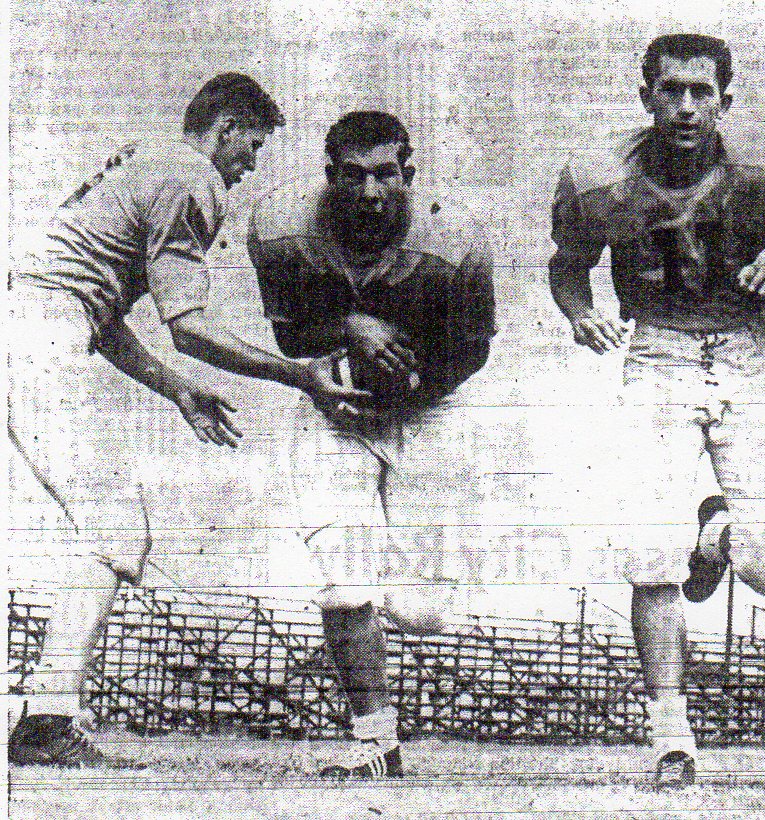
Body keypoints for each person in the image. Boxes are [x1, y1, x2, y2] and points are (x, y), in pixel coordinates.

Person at [7, 73, 367, 767]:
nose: (251, 163)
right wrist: (298, 373)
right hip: (35, 332)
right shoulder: (194, 177)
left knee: (104, 524)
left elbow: (96, 312)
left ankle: (48, 718)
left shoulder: (148, 161)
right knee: (112, 527)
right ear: (226, 127)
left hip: (31, 321)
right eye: (252, 145)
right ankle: (47, 722)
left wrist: (178, 392)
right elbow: (189, 327)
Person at [547, 34, 765, 787]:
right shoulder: (599, 177)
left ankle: (720, 530)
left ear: (725, 101)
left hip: (744, 348)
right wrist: (578, 313)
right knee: (647, 552)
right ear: (646, 96)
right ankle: (672, 734)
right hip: (657, 350)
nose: (686, 105)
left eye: (701, 91)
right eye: (671, 90)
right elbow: (567, 267)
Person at [247, 111, 496, 780]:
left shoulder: (456, 237)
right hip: (334, 405)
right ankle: (374, 742)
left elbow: (473, 349)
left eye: (385, 175)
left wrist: (412, 382)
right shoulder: (280, 229)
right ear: (329, 176)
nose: (369, 192)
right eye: (352, 176)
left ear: (407, 175)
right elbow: (291, 339)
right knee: (343, 579)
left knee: (421, 610)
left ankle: (399, 606)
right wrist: (350, 325)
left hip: (429, 407)